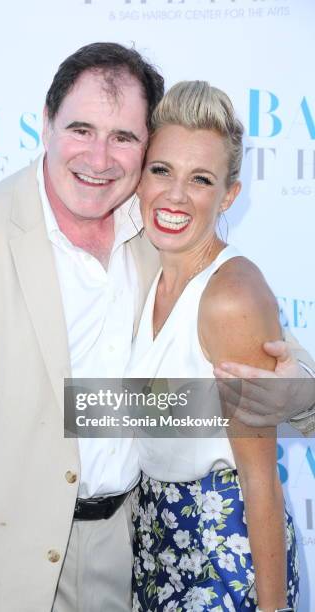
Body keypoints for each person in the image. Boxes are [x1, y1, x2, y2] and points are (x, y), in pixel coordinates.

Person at [0, 43, 312, 612]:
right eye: (81, 128)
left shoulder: (159, 233)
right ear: (45, 124)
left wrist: (299, 394)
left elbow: (270, 372)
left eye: (123, 137)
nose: (99, 158)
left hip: (129, 554)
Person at [128, 81, 299, 611]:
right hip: (151, 537)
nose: (175, 196)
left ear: (228, 195)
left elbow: (260, 479)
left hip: (225, 550)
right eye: (162, 170)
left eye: (200, 180)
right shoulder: (140, 268)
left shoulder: (230, 297)